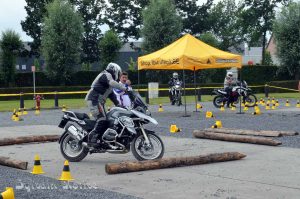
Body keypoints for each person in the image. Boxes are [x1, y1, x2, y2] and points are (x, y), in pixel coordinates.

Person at [85, 63, 128, 147]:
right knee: (102, 119)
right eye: (118, 73)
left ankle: (101, 139)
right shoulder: (105, 75)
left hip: (98, 102)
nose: (119, 75)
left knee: (107, 119)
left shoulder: (109, 83)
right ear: (114, 70)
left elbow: (112, 96)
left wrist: (119, 105)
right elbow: (112, 83)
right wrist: (124, 88)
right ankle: (92, 138)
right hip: (94, 99)